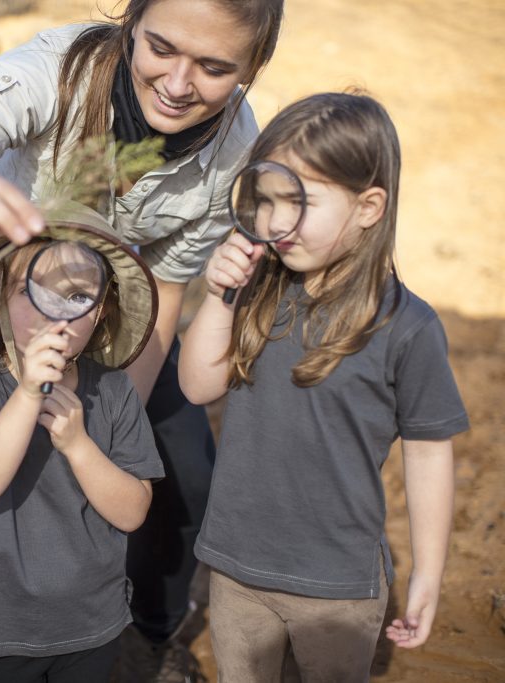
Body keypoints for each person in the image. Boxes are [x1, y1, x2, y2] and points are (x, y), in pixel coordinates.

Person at [0, 0, 284, 677]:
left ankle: (146, 637)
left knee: (181, 465)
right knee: (9, 469)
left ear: (252, 68)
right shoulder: (58, 70)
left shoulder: (234, 149)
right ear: (129, 22)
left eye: (214, 67)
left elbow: (169, 286)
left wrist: (113, 416)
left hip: (111, 300)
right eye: (160, 48)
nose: (179, 84)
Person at [177, 92, 469, 681]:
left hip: (337, 588)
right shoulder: (259, 293)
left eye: (300, 202)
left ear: (368, 207)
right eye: (267, 200)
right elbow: (196, 385)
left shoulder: (407, 328)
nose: (275, 222)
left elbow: (429, 454)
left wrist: (428, 576)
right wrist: (218, 297)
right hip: (234, 573)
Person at [0, 201, 166, 683]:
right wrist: (29, 393)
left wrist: (78, 446)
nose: (57, 313)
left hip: (92, 622)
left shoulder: (113, 391)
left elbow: (133, 512)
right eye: (32, 292)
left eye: (78, 296)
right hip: (0, 622)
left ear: (102, 311)